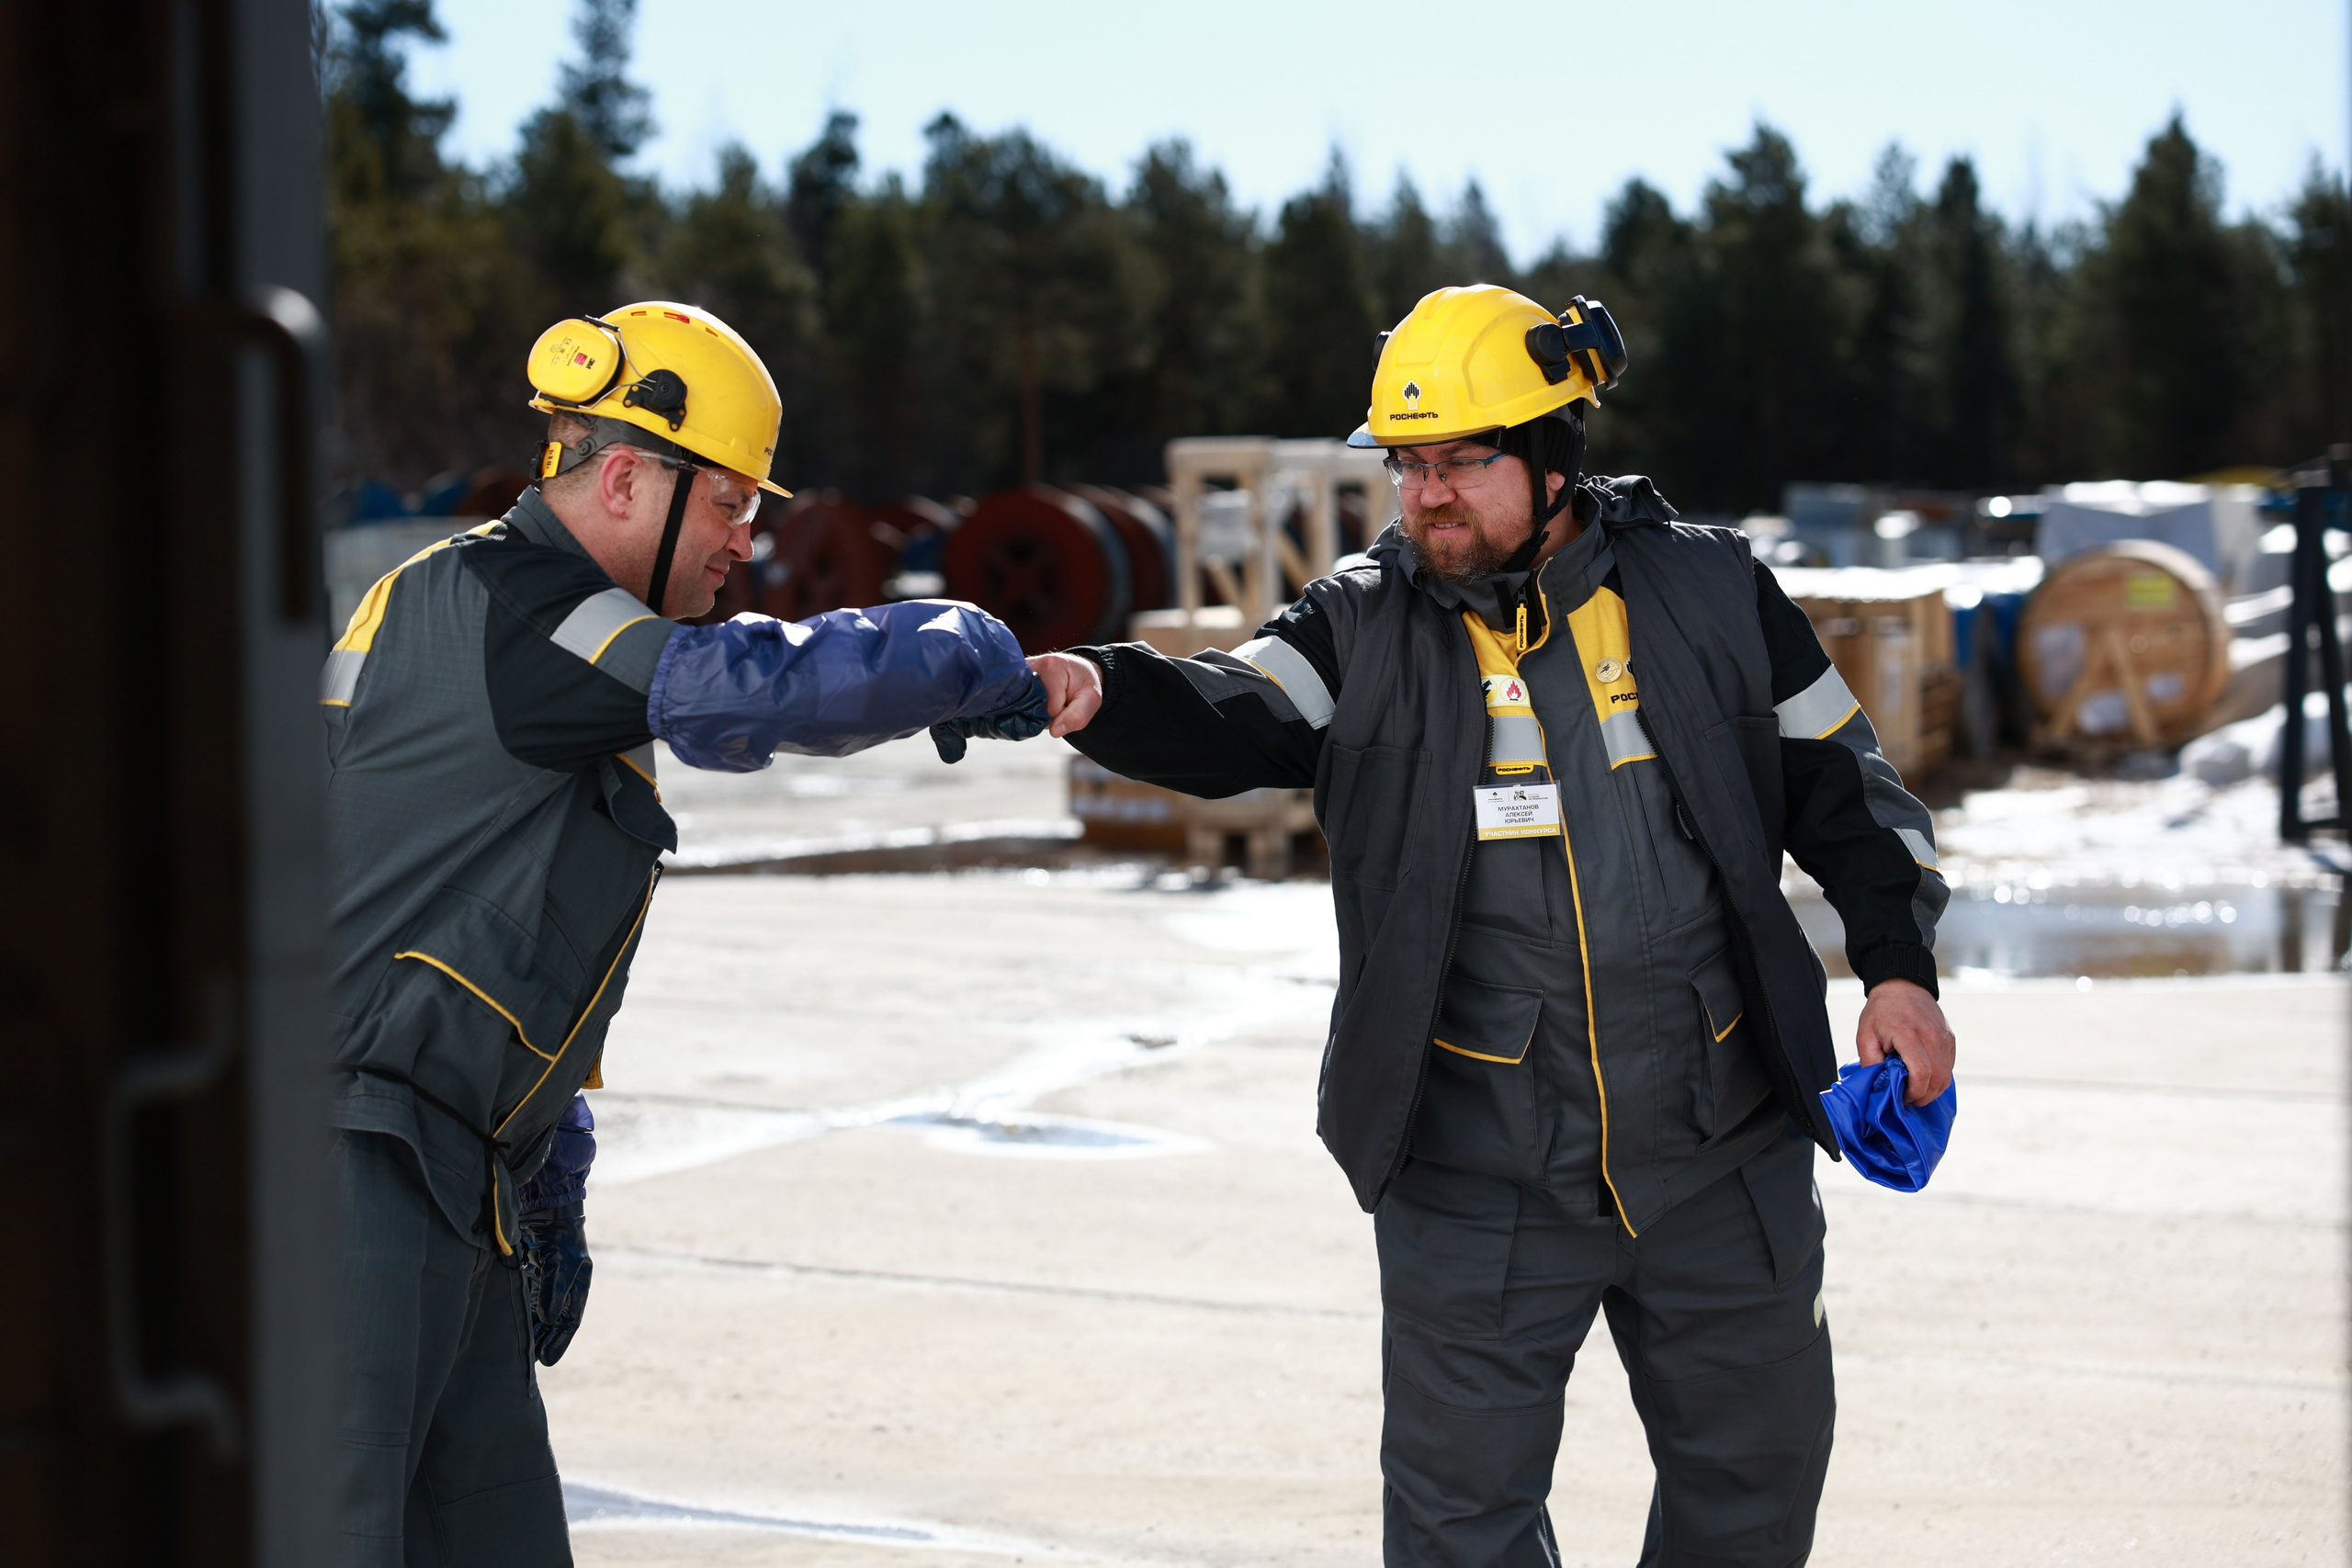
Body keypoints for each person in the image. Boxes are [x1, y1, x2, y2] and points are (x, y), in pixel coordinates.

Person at [1033, 284, 1957, 1566]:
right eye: (1408, 467)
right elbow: (1227, 710)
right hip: (1479, 1179)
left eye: (1462, 461)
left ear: (1551, 451)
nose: (1426, 498)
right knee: (1461, 1533)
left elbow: (1849, 790)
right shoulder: (1359, 624)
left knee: (1754, 1491)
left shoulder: (1710, 594)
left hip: (1721, 1150)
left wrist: (1900, 973)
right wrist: (1097, 690)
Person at [322, 301, 1043, 1565]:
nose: (747, 545)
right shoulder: (511, 604)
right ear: (623, 478)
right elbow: (744, 691)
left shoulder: (535, 630)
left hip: (457, 1180)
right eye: (730, 506)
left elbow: (478, 902)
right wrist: (966, 643)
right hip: (348, 1169)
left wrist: (551, 1146)